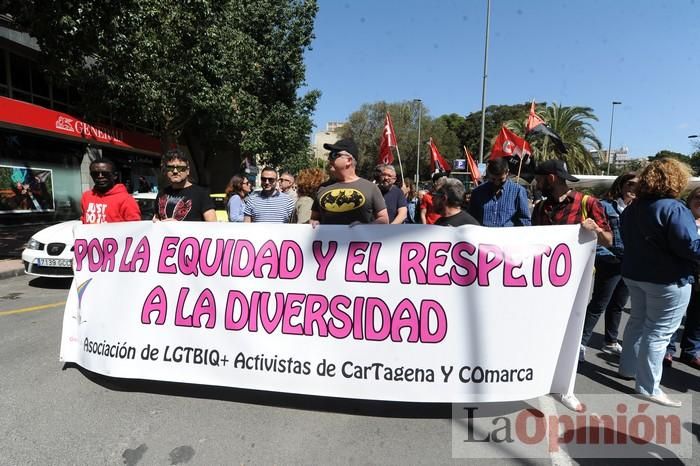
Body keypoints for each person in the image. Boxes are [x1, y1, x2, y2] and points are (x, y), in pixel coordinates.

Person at [618, 158, 700, 407]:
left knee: (637, 323)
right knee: (659, 332)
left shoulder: (633, 207)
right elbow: (689, 246)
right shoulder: (673, 208)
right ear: (676, 180)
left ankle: (628, 370)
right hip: (667, 280)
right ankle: (648, 387)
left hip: (635, 274)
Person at [579, 173, 638, 360]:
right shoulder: (605, 206)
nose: (633, 188)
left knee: (618, 305)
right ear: (620, 185)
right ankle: (580, 344)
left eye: (638, 185)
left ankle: (610, 341)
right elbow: (596, 236)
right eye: (630, 184)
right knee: (599, 304)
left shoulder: (637, 209)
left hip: (629, 263)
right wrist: (607, 257)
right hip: (610, 262)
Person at [531, 159, 612, 248]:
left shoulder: (588, 203)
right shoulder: (539, 208)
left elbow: (608, 242)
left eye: (539, 181)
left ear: (551, 178)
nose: (537, 186)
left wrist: (596, 230)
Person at [311, 138, 388, 225]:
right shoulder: (322, 188)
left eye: (334, 154)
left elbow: (384, 219)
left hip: (359, 238)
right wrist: (313, 222)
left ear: (349, 160)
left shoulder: (371, 188)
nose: (329, 158)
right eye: (329, 155)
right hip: (328, 238)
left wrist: (366, 227)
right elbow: (314, 218)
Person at [664, 186, 700, 370]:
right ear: (690, 199)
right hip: (681, 272)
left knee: (697, 316)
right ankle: (667, 350)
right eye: (698, 197)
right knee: (674, 314)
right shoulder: (681, 218)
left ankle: (691, 351)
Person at [154, 149, 217, 222]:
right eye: (170, 167)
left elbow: (212, 225)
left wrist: (180, 226)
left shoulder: (202, 194)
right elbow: (157, 218)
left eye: (180, 168)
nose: (175, 171)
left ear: (187, 171)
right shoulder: (162, 193)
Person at [468, 157, 531, 227]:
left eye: (501, 180)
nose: (497, 183)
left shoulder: (518, 191)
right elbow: (471, 219)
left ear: (507, 172)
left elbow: (524, 220)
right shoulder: (477, 192)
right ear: (488, 173)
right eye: (493, 179)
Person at [81, 159, 141, 224]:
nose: (100, 176)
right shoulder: (86, 196)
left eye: (105, 173)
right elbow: (83, 220)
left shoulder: (126, 199)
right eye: (95, 174)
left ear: (115, 176)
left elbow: (135, 228)